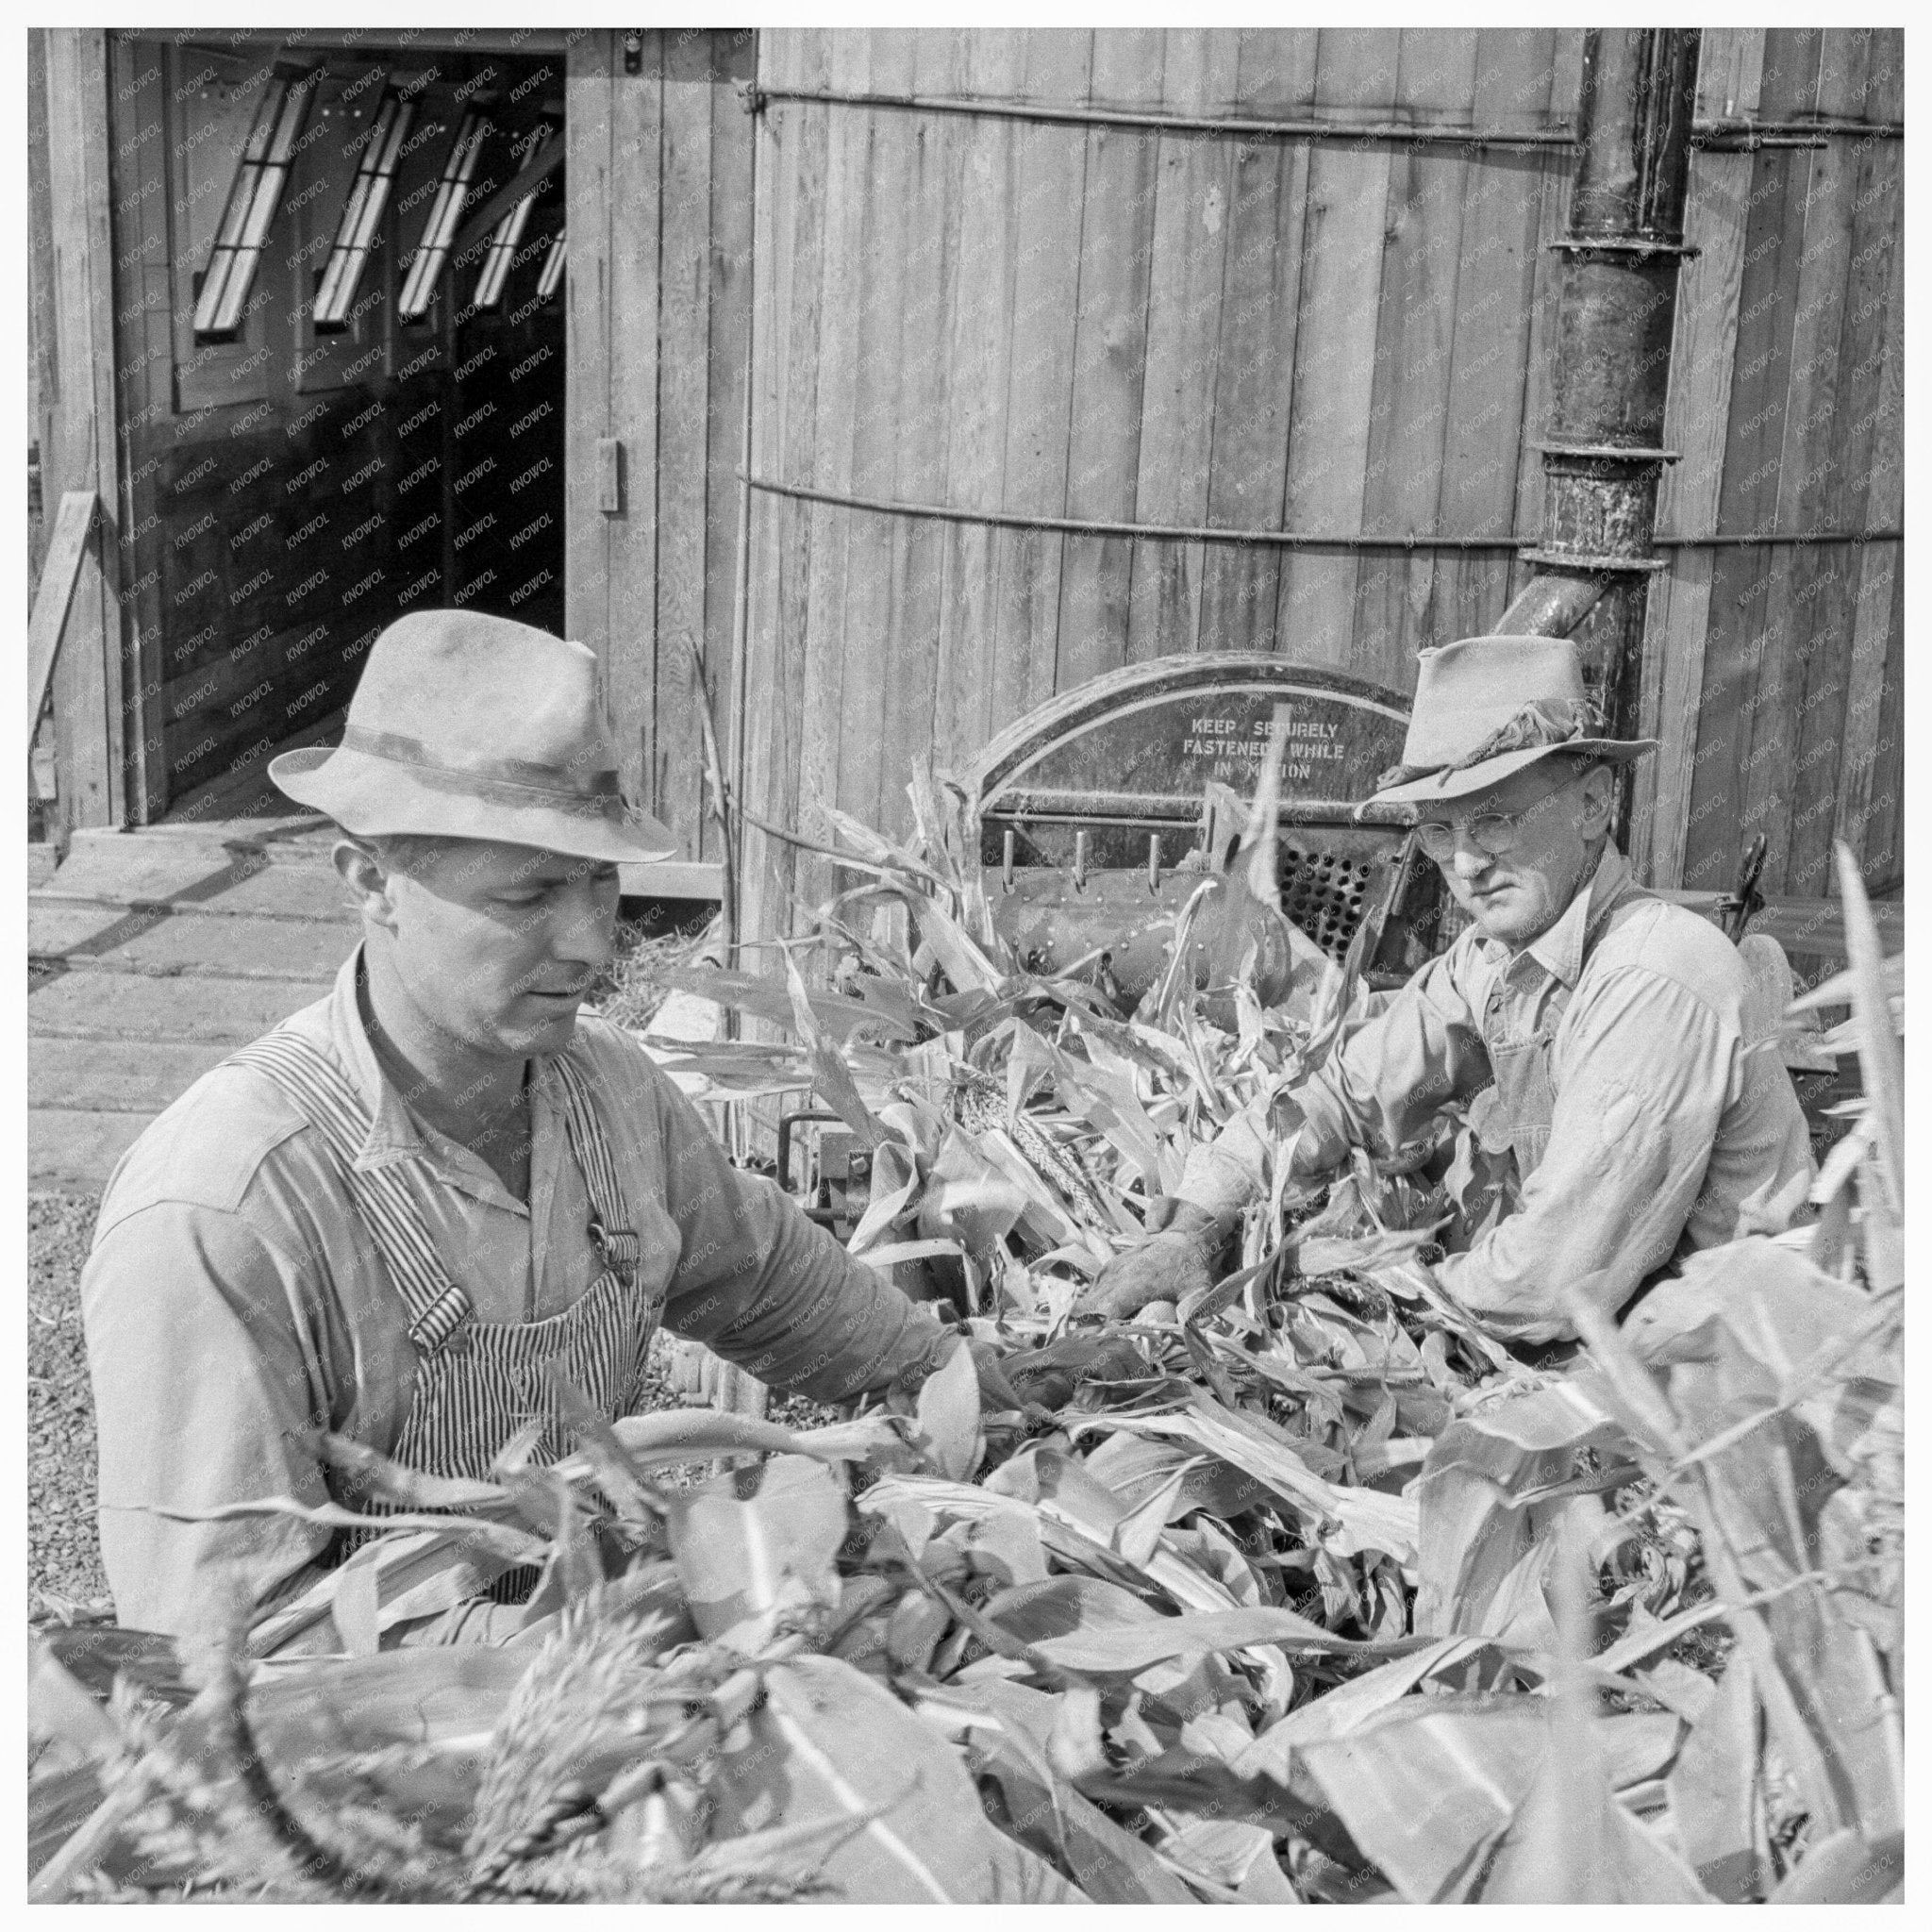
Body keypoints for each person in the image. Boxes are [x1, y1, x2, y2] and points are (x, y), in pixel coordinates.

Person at [83, 610, 1005, 1650]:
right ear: (370, 881)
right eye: (527, 893)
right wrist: (605, 1629)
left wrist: (952, 1377)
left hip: (602, 1687)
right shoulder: (225, 1206)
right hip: (365, 1759)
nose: (591, 941)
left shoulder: (606, 1087)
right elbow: (221, 1651)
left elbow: (764, 1276)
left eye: (600, 879)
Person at [1083, 634, 1814, 1346]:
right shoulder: (1495, 959)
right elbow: (1342, 1098)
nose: (1464, 863)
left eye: (1494, 820)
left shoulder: (1653, 978)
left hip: (1725, 1393)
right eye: (1438, 830)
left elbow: (1549, 1288)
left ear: (1594, 804)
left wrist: (1330, 1289)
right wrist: (1193, 1229)